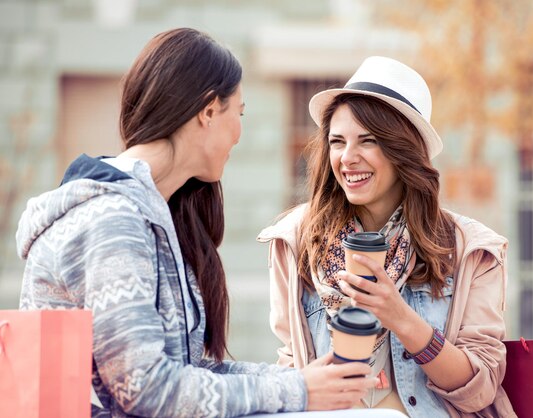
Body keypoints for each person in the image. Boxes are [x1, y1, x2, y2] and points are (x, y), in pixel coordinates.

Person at [15, 28, 383, 418]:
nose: (239, 134)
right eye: (238, 113)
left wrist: (306, 380)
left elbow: (184, 374)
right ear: (208, 111)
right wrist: (297, 390)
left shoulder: (154, 212)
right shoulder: (112, 220)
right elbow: (147, 391)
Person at [258, 56, 517, 417]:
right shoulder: (297, 240)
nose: (348, 158)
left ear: (403, 151)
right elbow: (294, 359)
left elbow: (480, 389)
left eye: (368, 141)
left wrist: (400, 317)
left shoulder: (468, 249)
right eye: (337, 141)